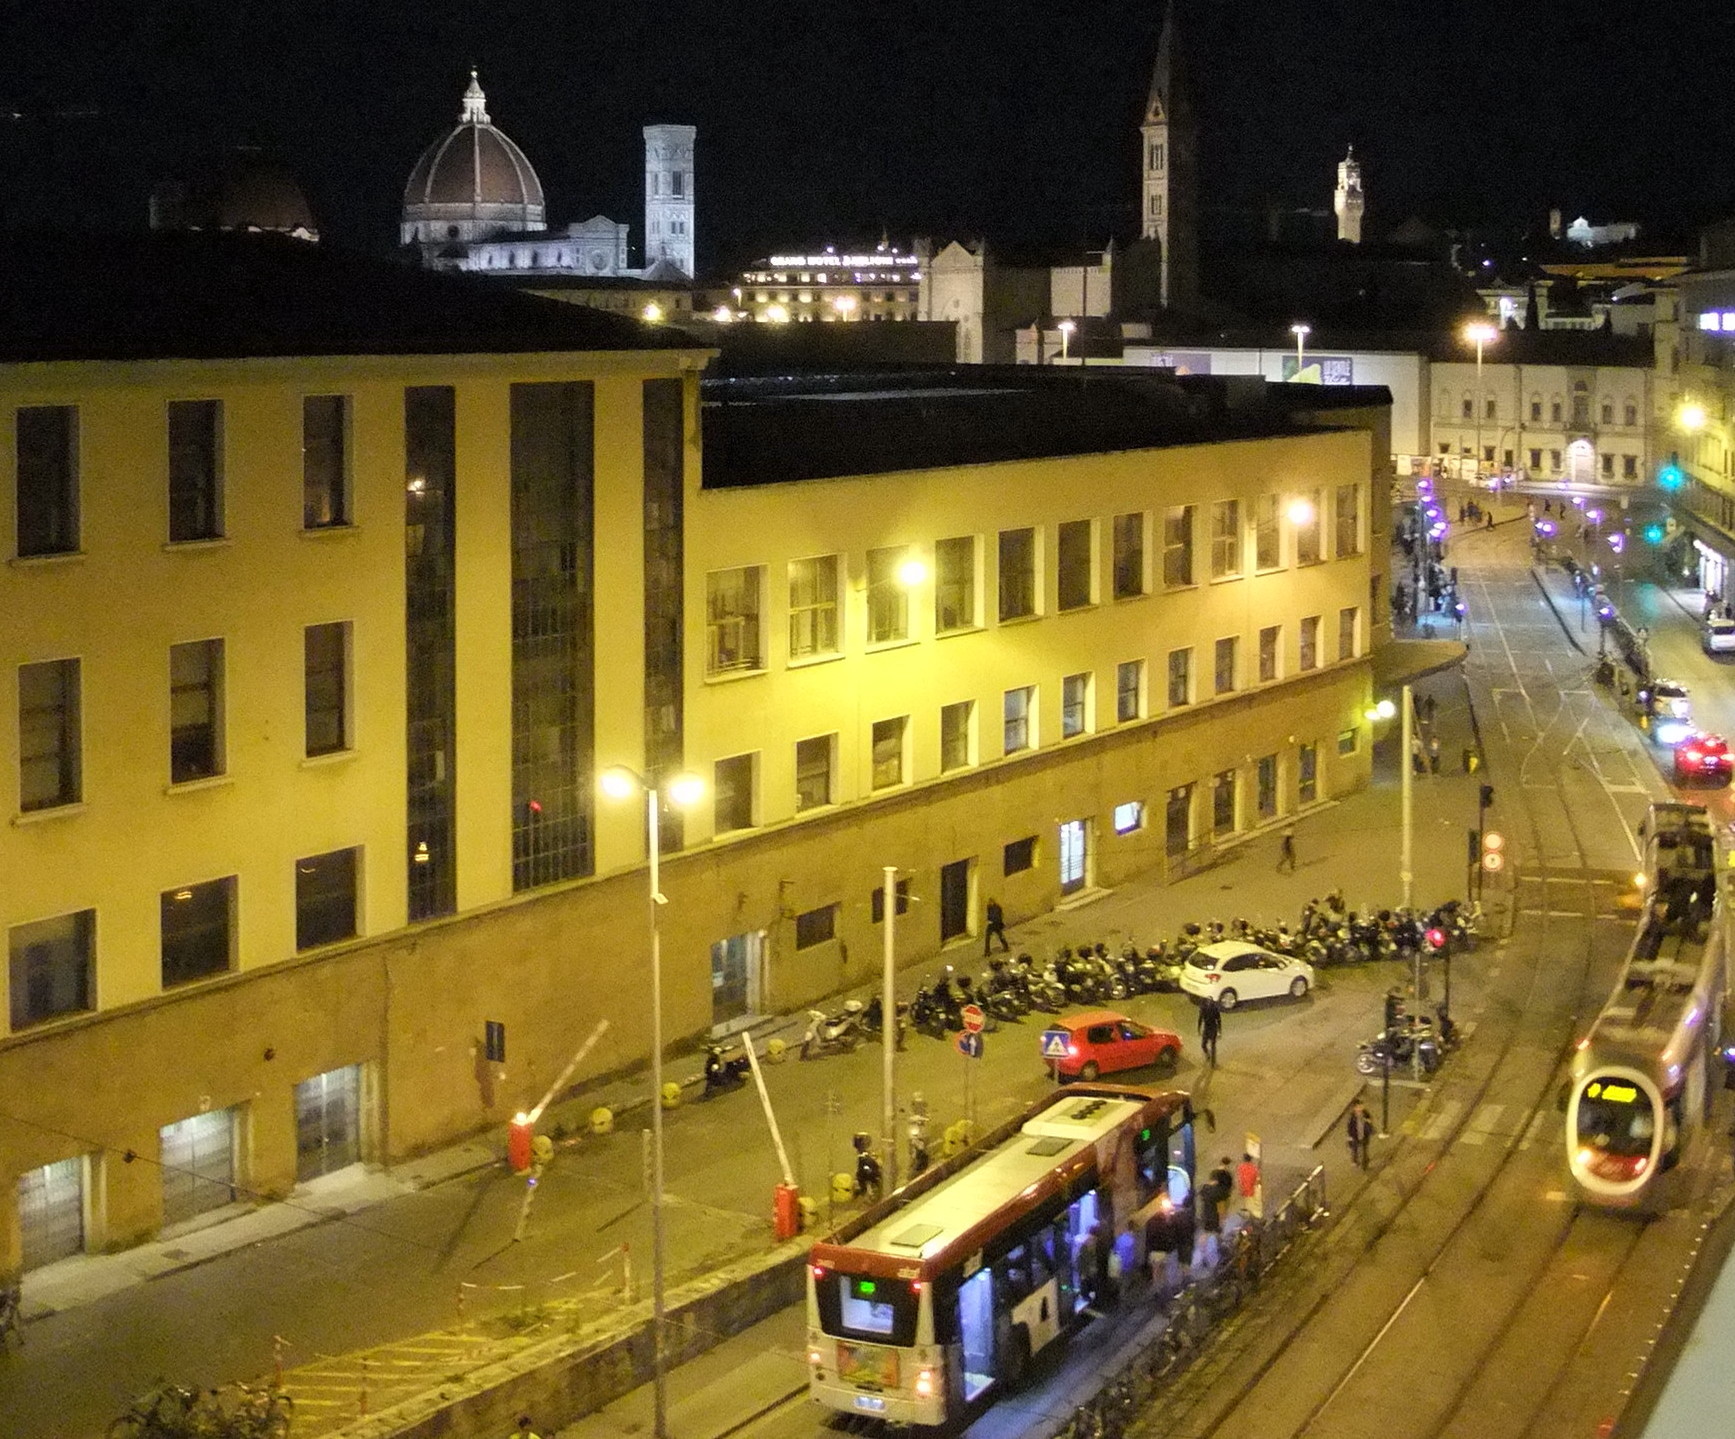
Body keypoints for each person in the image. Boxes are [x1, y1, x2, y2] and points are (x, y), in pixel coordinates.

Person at [1347, 1100, 1374, 1171]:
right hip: (1356, 1136)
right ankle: (1355, 1160)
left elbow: (1370, 1120)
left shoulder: (1365, 1114)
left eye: (1361, 1106)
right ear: (1355, 1108)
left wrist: (1368, 1121)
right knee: (1355, 1149)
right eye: (1358, 1107)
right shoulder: (1352, 1118)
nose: (1360, 1108)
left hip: (1364, 1135)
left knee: (1365, 1150)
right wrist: (1350, 1136)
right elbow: (1350, 1127)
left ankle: (1365, 1164)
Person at [1198, 996, 1222, 1065]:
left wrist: (1219, 1031)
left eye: (1210, 1001)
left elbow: (1219, 1020)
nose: (1209, 1002)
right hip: (1207, 1028)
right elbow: (1200, 1019)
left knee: (1213, 1046)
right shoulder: (1203, 1009)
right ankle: (1208, 1055)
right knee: (1203, 1045)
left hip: (1213, 1028)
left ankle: (1213, 1062)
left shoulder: (1215, 1009)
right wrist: (1199, 1029)